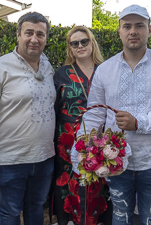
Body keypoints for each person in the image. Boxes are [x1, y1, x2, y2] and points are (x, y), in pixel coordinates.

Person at [75, 4, 151, 225]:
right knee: (120, 217)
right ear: (119, 31)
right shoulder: (105, 69)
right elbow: (95, 114)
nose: (132, 31)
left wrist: (140, 123)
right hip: (114, 162)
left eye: (139, 26)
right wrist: (82, 147)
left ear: (150, 29)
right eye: (127, 26)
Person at [0, 12, 56, 225]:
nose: (34, 39)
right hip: (10, 160)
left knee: (36, 207)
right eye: (29, 33)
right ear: (18, 35)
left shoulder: (48, 67)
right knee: (10, 212)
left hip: (44, 158)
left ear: (46, 39)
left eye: (40, 34)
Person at [51, 26, 112, 224]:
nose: (80, 46)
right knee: (70, 181)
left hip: (99, 136)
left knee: (99, 179)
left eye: (84, 41)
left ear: (91, 43)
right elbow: (54, 108)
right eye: (74, 43)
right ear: (70, 48)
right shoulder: (61, 73)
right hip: (67, 138)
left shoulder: (107, 70)